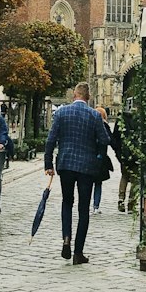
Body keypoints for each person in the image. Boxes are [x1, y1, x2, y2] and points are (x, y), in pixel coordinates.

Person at [44, 81, 109, 265]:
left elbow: (51, 140)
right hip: (86, 167)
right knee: (83, 209)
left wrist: (48, 163)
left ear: (74, 95)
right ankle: (78, 252)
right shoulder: (94, 115)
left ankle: (66, 238)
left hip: (65, 163)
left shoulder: (62, 112)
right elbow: (104, 140)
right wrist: (97, 158)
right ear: (88, 97)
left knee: (67, 202)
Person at [92, 105, 117, 214]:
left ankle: (88, 204)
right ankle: (96, 206)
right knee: (98, 184)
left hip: (89, 157)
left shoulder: (90, 124)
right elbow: (111, 141)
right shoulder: (104, 126)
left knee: (87, 184)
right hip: (100, 158)